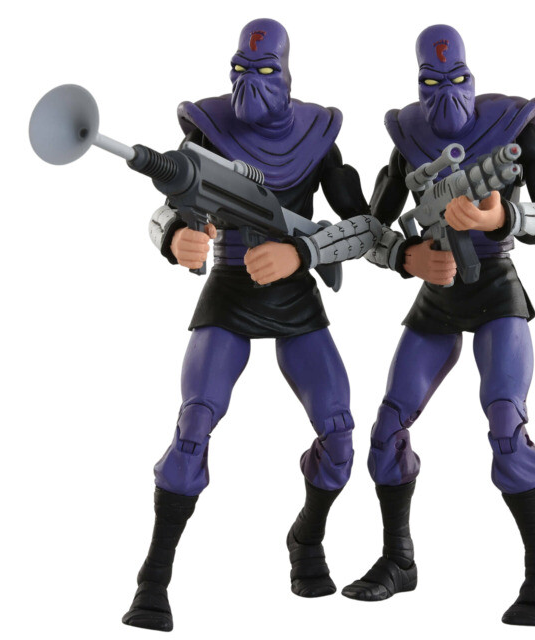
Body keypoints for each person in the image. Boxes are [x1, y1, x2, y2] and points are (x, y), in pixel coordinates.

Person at [122, 18, 379, 632]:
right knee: (193, 427)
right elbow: (167, 208)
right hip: (230, 288)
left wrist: (304, 252)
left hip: (294, 293)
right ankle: (153, 580)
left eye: (264, 71)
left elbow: (366, 230)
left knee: (340, 434)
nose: (250, 83)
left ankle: (307, 538)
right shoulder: (206, 130)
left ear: (287, 74)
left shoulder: (318, 137)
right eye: (240, 70)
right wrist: (177, 238)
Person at [341, 24, 535, 627]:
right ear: (418, 85)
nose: (446, 91)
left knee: (506, 423)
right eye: (431, 81)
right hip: (438, 289)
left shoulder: (516, 130)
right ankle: (398, 559)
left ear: (471, 77)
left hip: (495, 286)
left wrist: (503, 217)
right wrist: (405, 257)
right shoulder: (408, 140)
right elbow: (368, 232)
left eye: (457, 79)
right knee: (387, 427)